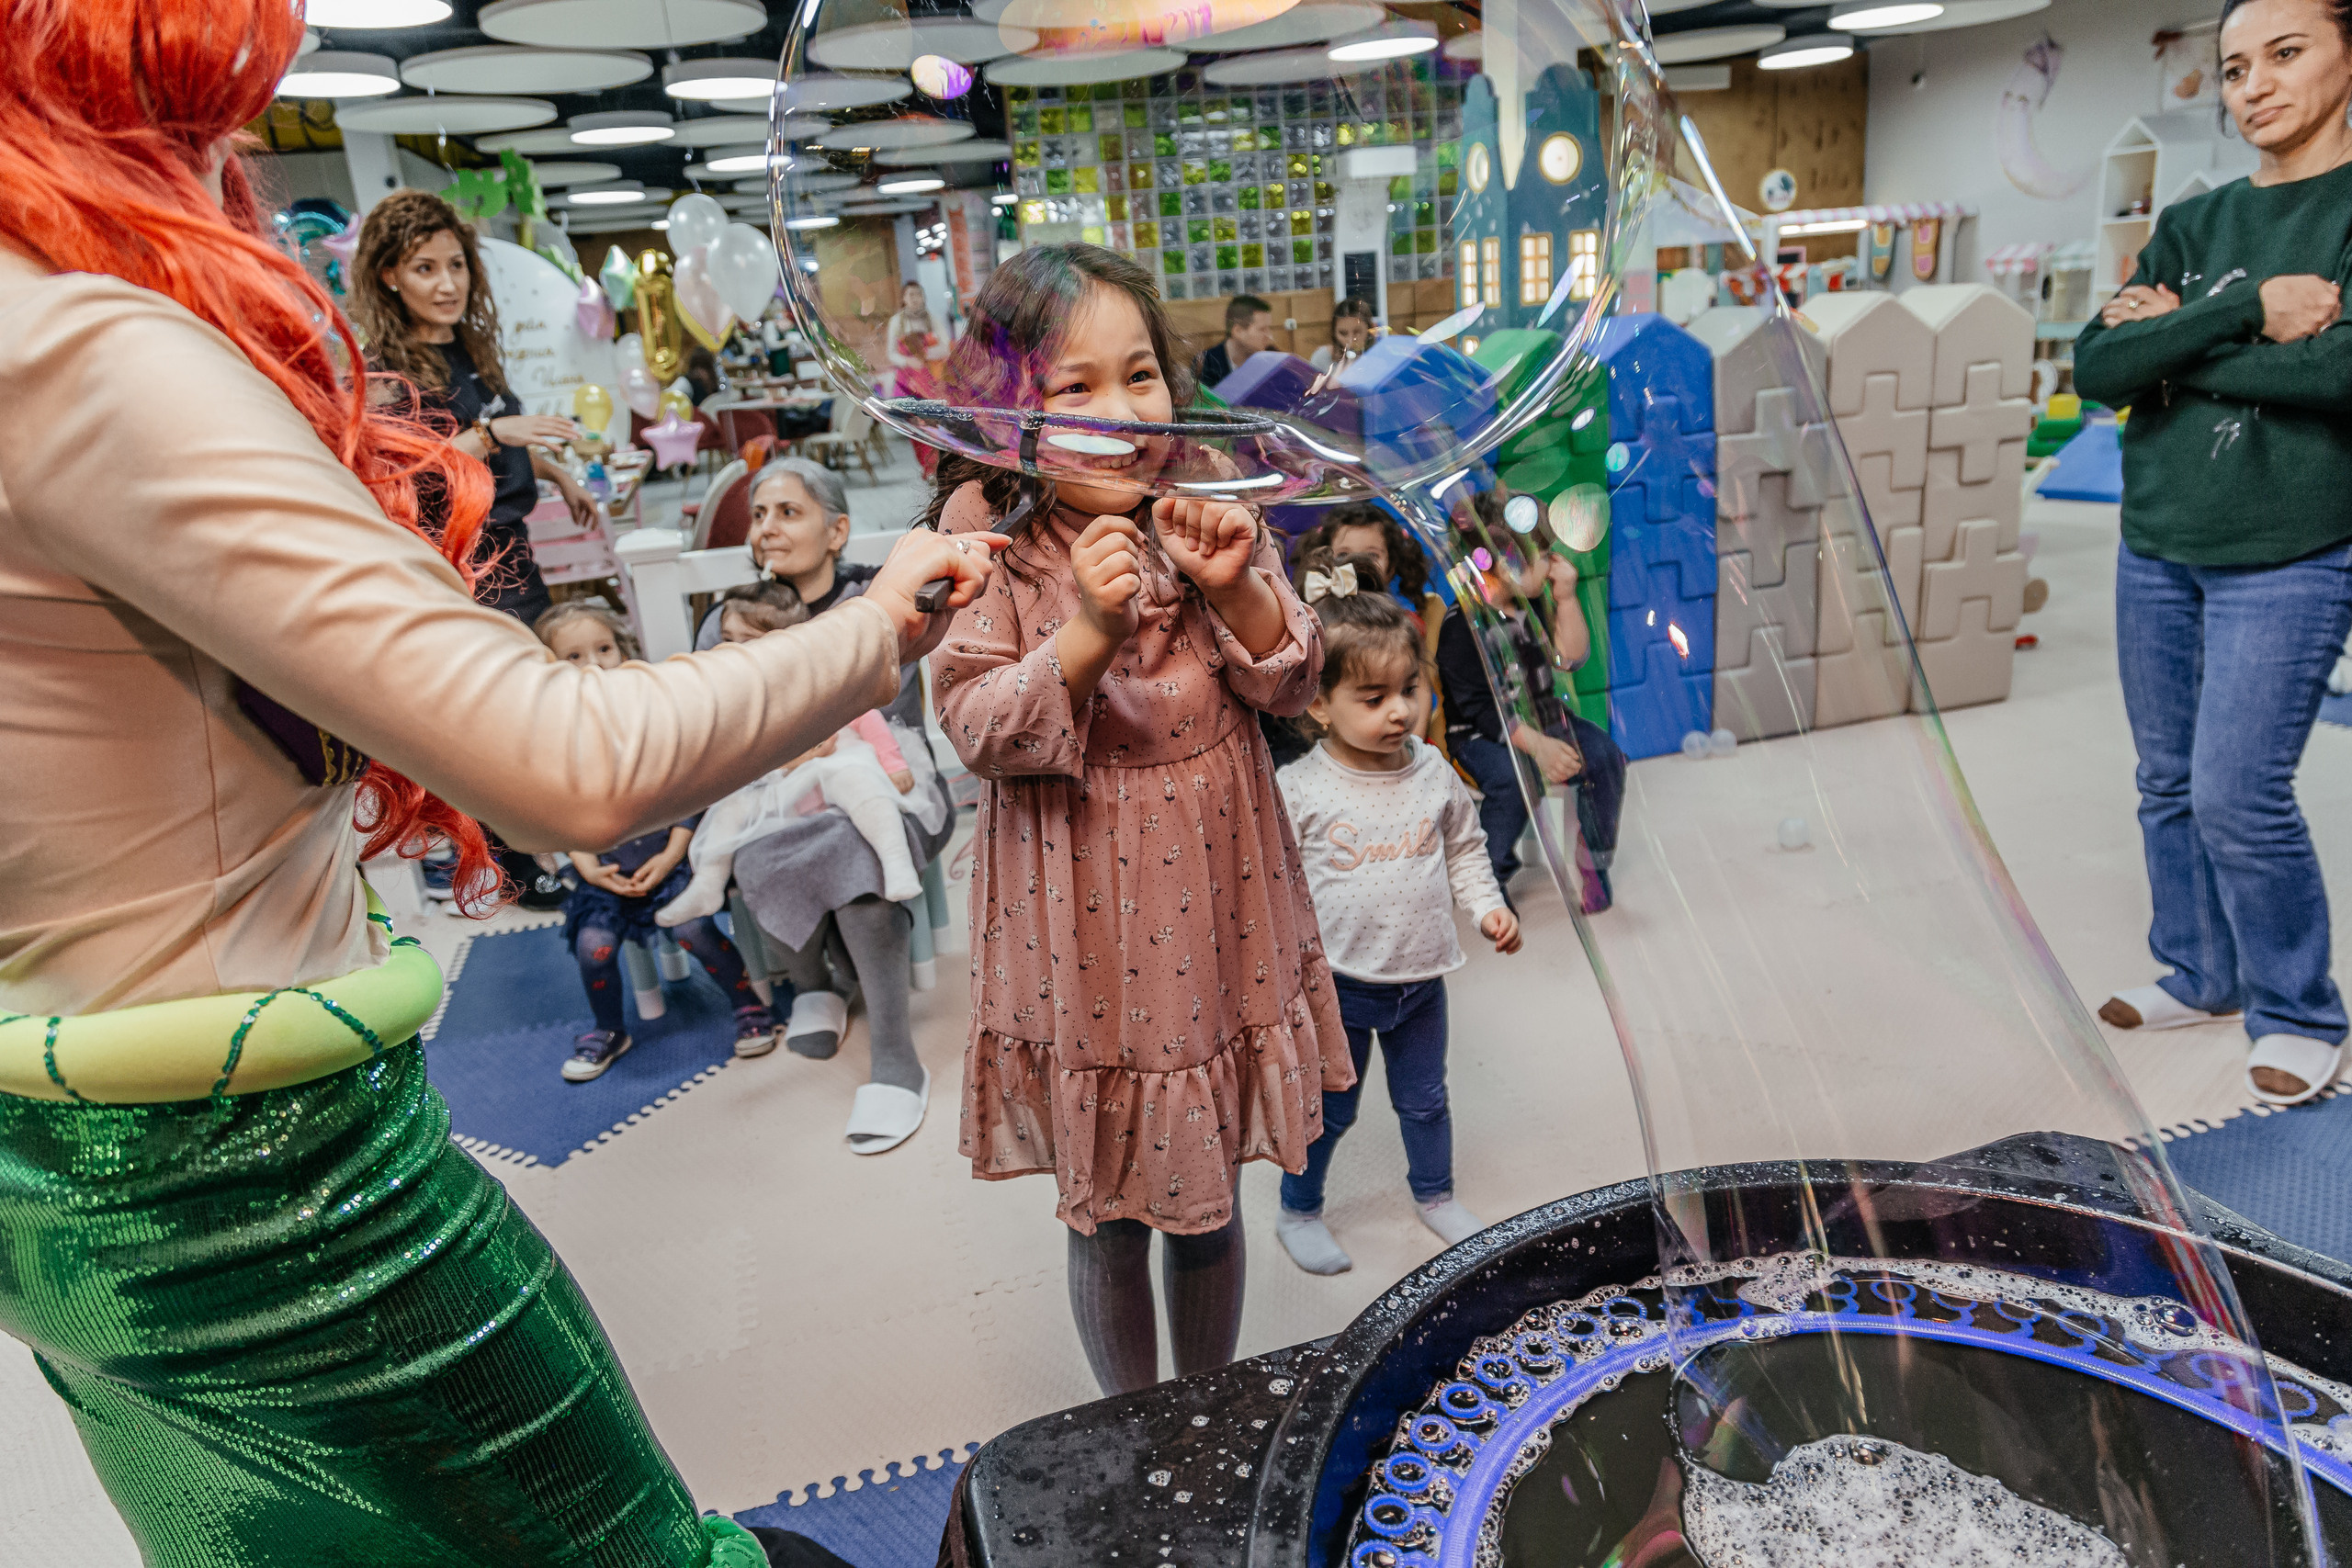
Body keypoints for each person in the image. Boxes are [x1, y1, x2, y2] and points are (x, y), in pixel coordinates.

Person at [0, 5, 1000, 1557]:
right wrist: (882, 622)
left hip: (67, 1171)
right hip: (257, 1185)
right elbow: (570, 765)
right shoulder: (68, 344)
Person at [928, 243, 1349, 1397]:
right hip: (1081, 906)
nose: (1120, 416)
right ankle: (1134, 1417)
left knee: (1207, 1193)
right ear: (1007, 409)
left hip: (1215, 894)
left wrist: (1236, 588)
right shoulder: (988, 531)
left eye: (1141, 376)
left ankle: (1203, 1406)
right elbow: (974, 723)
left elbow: (1291, 682)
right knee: (1109, 1207)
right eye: (1074, 390)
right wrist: (1087, 635)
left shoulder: (1207, 495)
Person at [2072, 0, 2352, 1107]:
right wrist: (2246, 313)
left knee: (2240, 793)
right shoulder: (2197, 224)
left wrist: (2174, 341)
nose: (2251, 87)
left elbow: (2337, 379)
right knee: (2167, 781)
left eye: (2284, 55)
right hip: (2157, 541)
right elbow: (2098, 370)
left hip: (2289, 547)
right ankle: (2204, 970)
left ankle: (2297, 1010)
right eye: (2234, 67)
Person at [692, 457, 954, 1152]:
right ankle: (816, 985)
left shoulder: (878, 600)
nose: (767, 529)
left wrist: (817, 741)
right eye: (759, 514)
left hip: (883, 765)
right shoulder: (732, 616)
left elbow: (887, 711)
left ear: (837, 530)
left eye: (788, 512)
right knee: (750, 842)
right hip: (769, 776)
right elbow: (714, 715)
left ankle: (896, 1056)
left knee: (853, 842)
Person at [353, 187, 602, 908]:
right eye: (425, 268)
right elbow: (409, 477)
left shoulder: (466, 350)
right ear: (390, 276)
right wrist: (495, 439)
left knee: (531, 705)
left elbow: (497, 432)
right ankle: (512, 865)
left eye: (456, 266)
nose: (448, 284)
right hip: (462, 563)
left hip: (512, 546)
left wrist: (551, 471)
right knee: (496, 717)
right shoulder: (390, 375)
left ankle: (540, 842)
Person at [1273, 549, 1520, 1276]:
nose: (1400, 710)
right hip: (1341, 986)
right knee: (1333, 1111)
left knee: (1425, 1100)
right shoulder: (1302, 787)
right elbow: (1273, 885)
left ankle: (1436, 1195)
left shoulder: (1433, 769)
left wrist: (1488, 908)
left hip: (1422, 979)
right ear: (1320, 705)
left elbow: (1466, 848)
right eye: (1373, 696)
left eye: (1410, 688)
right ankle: (1299, 1208)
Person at [533, 604, 782, 1077]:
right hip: (604, 876)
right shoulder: (556, 740)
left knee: (695, 931)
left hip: (670, 863)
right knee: (594, 946)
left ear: (623, 652)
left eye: (603, 649)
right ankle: (609, 1027)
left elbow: (686, 789)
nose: (593, 664)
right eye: (573, 656)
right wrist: (584, 864)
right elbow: (558, 808)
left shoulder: (645, 719)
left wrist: (673, 852)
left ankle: (747, 1003)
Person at [662, 585, 928, 922]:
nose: (730, 650)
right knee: (729, 806)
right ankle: (708, 884)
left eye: (746, 640)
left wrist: (892, 763)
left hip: (832, 763)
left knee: (859, 781)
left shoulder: (817, 675)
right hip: (780, 781)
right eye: (725, 638)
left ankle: (896, 861)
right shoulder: (736, 694)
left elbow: (866, 716)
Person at [1435, 492, 1625, 914]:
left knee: (1605, 757)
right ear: (1502, 563)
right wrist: (1537, 747)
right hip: (1481, 733)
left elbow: (1569, 658)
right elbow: (1480, 711)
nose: (1552, 561)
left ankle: (1594, 861)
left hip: (1542, 717)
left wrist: (1567, 599)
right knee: (1515, 781)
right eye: (1543, 555)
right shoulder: (1460, 627)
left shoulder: (1532, 603)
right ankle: (1490, 874)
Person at [887, 280, 946, 476]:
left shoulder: (931, 319)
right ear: (904, 298)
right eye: (910, 295)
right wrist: (908, 361)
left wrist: (925, 354)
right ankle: (926, 467)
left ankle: (934, 468)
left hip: (930, 383)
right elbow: (892, 353)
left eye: (918, 294)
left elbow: (945, 347)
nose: (915, 299)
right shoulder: (897, 321)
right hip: (907, 384)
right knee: (916, 429)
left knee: (932, 425)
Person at [1194, 291, 1273, 389]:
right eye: (1262, 329)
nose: (1269, 336)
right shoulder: (1205, 364)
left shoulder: (1272, 355)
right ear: (1238, 331)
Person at [1308, 296, 1377, 372]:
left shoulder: (1379, 358)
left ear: (1370, 329)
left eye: (1357, 332)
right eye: (1343, 333)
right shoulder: (1322, 358)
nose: (1350, 340)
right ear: (1334, 333)